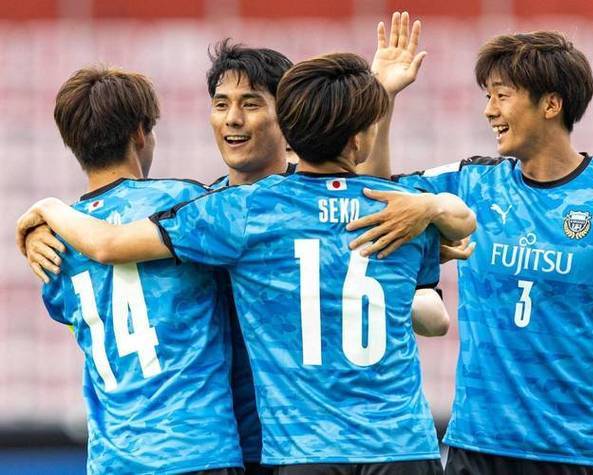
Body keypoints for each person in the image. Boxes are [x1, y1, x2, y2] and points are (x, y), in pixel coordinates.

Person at [17, 52, 476, 474]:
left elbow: (429, 311)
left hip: (265, 447)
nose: (233, 118)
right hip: (253, 446)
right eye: (221, 104)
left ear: (287, 119)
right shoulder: (207, 208)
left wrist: (51, 215)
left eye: (251, 103)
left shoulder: (219, 212)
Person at [348, 31, 593, 474]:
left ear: (551, 104)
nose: (489, 110)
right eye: (488, 96)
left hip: (579, 448)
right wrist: (383, 97)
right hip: (478, 444)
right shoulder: (472, 181)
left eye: (502, 96)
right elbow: (374, 196)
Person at [36, 65, 244, 474]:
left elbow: (64, 308)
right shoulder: (183, 202)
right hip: (194, 449)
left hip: (113, 459)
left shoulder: (57, 239)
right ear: (139, 133)